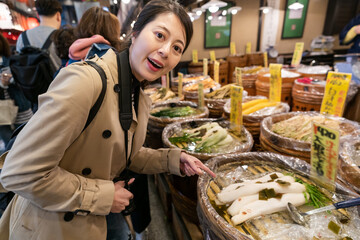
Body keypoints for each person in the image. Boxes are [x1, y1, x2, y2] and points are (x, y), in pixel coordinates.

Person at [0, 1, 216, 240]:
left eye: (177, 48)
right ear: (135, 34)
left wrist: (174, 159)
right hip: (49, 226)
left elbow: (126, 154)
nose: (166, 51)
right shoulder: (86, 81)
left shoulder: (139, 97)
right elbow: (19, 172)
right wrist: (104, 197)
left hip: (90, 221)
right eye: (159, 35)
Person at [15, 0, 62, 112]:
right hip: (59, 96)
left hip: (35, 100)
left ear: (37, 14)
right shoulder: (61, 37)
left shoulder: (23, 37)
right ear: (58, 15)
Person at [0, 34, 33, 155]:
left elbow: (24, 80)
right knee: (9, 144)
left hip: (20, 104)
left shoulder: (13, 60)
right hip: (2, 112)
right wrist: (2, 84)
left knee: (28, 136)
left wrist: (12, 79)